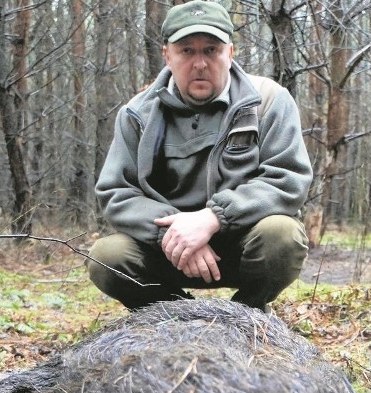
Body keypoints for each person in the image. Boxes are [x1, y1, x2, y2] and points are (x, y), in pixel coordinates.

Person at [87, 0, 313, 311]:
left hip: (242, 245)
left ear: (229, 53)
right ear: (167, 55)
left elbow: (288, 180)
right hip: (169, 251)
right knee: (107, 258)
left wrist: (213, 218)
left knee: (282, 235)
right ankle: (179, 315)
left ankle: (246, 317)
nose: (200, 63)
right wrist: (177, 232)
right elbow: (117, 193)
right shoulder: (137, 114)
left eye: (211, 50)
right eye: (186, 51)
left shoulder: (268, 101)